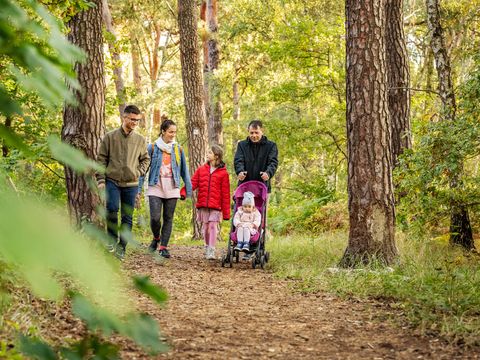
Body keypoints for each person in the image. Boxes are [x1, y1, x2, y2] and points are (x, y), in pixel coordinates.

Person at [97, 105, 150, 261]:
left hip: (131, 184)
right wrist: (100, 180)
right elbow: (101, 160)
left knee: (127, 217)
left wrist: (138, 172)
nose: (135, 122)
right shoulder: (110, 137)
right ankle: (111, 240)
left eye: (137, 120)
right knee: (112, 209)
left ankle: (122, 247)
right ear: (124, 117)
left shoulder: (140, 140)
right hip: (112, 180)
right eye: (132, 119)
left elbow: (146, 159)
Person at [138, 119, 192, 259]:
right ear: (163, 131)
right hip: (155, 185)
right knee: (155, 218)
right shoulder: (153, 147)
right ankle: (156, 238)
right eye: (170, 132)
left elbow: (184, 171)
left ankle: (163, 247)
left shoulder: (178, 149)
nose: (173, 134)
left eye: (175, 132)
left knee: (168, 217)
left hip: (172, 187)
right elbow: (143, 169)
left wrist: (187, 189)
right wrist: (138, 189)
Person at [191, 144, 231, 260]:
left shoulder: (223, 173)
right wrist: (183, 191)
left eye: (209, 152)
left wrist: (226, 213)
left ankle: (211, 250)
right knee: (206, 228)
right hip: (203, 204)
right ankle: (207, 246)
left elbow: (225, 194)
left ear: (216, 156)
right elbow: (193, 183)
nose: (207, 154)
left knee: (213, 226)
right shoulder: (201, 169)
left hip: (216, 206)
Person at [234, 120, 279, 193]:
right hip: (245, 185)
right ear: (248, 131)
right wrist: (240, 171)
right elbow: (238, 161)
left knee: (262, 205)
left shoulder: (271, 146)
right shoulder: (242, 145)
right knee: (242, 204)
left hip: (263, 186)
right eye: (251, 133)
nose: (254, 135)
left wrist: (268, 173)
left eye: (256, 132)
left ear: (262, 131)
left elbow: (273, 163)